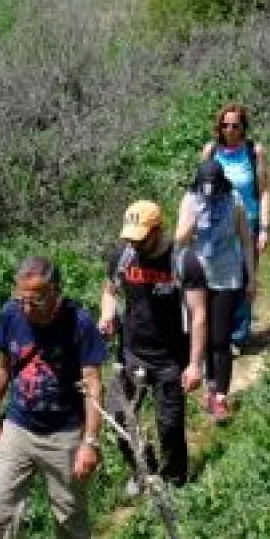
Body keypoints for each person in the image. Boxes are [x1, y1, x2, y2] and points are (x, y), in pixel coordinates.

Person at [0, 257, 107, 539]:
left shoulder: (79, 323)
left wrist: (90, 442)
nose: (28, 307)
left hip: (65, 430)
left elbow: (93, 383)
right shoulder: (10, 315)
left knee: (69, 510)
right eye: (22, 299)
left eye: (36, 299)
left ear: (56, 293)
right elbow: (3, 367)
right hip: (18, 426)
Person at [100, 201, 208, 490]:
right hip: (131, 352)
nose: (134, 244)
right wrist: (107, 314)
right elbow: (110, 291)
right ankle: (142, 469)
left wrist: (195, 364)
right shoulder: (123, 257)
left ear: (158, 230)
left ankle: (174, 482)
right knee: (118, 416)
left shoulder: (184, 261)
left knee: (169, 427)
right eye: (130, 238)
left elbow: (199, 314)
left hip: (171, 359)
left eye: (141, 238)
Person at [174, 167, 251, 421]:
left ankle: (220, 396)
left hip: (227, 275)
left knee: (220, 339)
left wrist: (252, 277)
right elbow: (179, 239)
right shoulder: (190, 199)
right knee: (202, 335)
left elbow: (245, 240)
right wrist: (193, 220)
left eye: (214, 186)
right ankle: (210, 386)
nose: (210, 191)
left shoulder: (234, 200)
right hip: (197, 274)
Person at [200, 103, 270, 348]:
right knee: (215, 278)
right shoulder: (211, 151)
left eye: (235, 125)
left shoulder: (254, 152)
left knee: (244, 276)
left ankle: (239, 335)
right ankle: (218, 331)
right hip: (216, 225)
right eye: (225, 125)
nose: (229, 130)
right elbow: (201, 188)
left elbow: (264, 192)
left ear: (243, 128)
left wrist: (264, 228)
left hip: (248, 222)